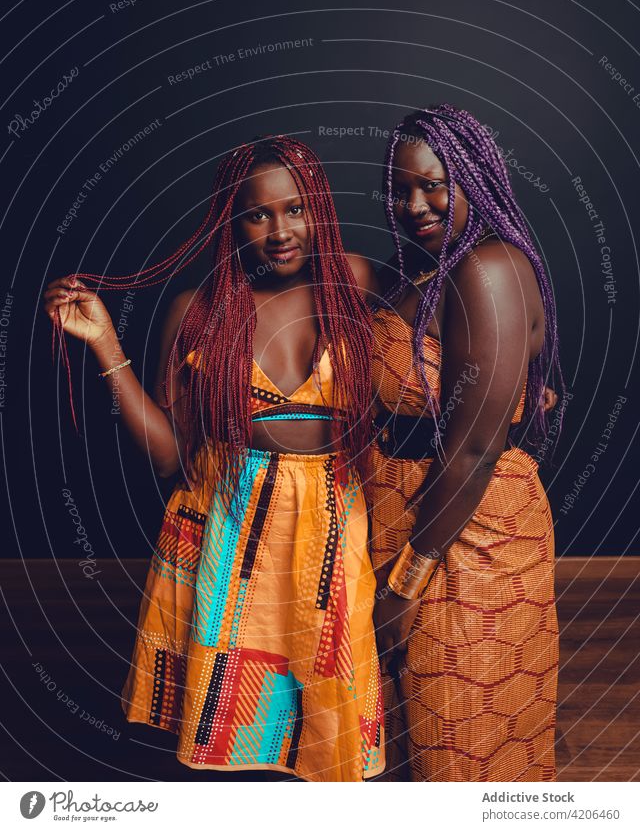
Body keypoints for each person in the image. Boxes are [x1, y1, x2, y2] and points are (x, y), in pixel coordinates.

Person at [43, 135, 384, 782]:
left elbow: (428, 334)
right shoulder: (197, 312)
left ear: (319, 210)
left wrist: (513, 385)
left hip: (329, 525)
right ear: (232, 220)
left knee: (327, 729)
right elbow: (173, 455)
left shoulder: (357, 284)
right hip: (229, 531)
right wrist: (105, 344)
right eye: (259, 214)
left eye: (296, 209)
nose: (280, 230)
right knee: (240, 739)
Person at [368, 105, 563, 782]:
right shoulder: (419, 274)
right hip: (403, 520)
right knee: (410, 751)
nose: (414, 203)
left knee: (465, 748)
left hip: (464, 539)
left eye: (434, 183)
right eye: (400, 189)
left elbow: (476, 447)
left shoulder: (488, 269)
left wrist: (405, 581)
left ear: (475, 177)